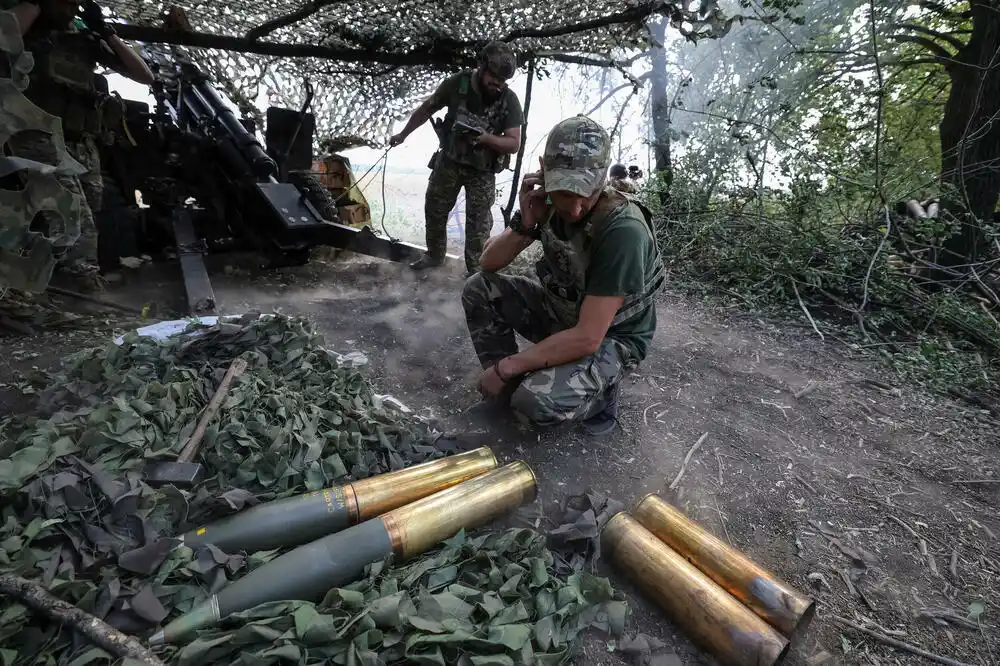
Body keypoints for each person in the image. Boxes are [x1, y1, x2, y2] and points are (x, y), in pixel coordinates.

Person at [461, 115, 665, 436]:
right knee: (479, 289)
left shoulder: (623, 229)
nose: (574, 208)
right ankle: (508, 389)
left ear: (603, 177)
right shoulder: (542, 200)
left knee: (532, 402)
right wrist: (527, 225)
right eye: (564, 192)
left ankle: (601, 395)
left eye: (587, 191)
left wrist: (508, 365)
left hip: (610, 337)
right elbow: (487, 263)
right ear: (543, 169)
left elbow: (588, 336)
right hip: (565, 313)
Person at [6, 0, 154, 287]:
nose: (71, 8)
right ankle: (82, 286)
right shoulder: (26, 26)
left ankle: (52, 278)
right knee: (73, 215)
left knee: (85, 213)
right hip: (36, 135)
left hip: (79, 142)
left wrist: (106, 32)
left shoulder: (84, 37)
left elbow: (143, 75)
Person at [389, 41, 523, 275]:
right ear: (480, 66)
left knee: (478, 225)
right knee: (435, 209)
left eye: (503, 81)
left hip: (482, 171)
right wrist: (403, 134)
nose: (497, 85)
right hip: (450, 161)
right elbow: (427, 109)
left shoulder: (509, 100)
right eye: (493, 77)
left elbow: (513, 143)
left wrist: (486, 139)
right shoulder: (457, 83)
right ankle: (434, 257)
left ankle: (476, 273)